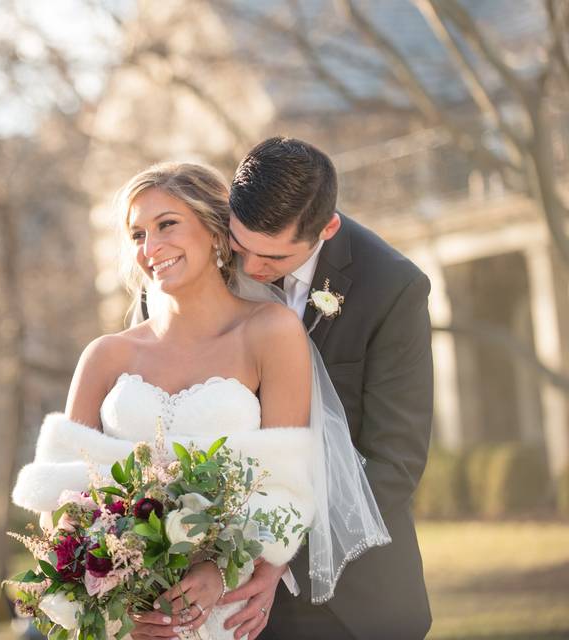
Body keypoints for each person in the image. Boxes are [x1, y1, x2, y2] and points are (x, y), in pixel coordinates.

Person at [11, 160, 389, 640]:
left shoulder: (270, 333)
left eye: (167, 225)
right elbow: (57, 506)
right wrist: (121, 600)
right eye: (137, 235)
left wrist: (223, 571)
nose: (151, 248)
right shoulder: (105, 356)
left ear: (215, 231)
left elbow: (288, 485)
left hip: (223, 611)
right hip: (124, 621)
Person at [219, 137, 434, 640]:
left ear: (327, 227)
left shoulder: (393, 287)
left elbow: (396, 462)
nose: (249, 269)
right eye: (240, 245)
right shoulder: (216, 260)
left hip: (350, 599)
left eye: (273, 255)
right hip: (228, 597)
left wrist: (279, 554)